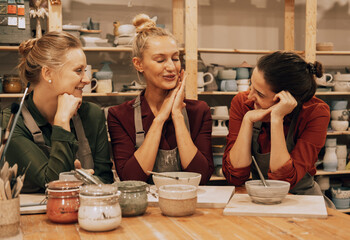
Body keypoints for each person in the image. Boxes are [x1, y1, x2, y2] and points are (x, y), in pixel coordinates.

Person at [107, 14, 214, 184]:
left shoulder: (199, 111)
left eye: (175, 58)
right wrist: (160, 119)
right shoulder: (119, 115)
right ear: (138, 64)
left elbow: (201, 176)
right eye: (160, 60)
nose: (171, 67)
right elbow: (131, 179)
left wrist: (177, 116)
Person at [2, 31, 113, 193]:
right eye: (78, 70)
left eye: (85, 71)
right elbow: (52, 183)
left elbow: (106, 181)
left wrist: (82, 180)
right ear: (48, 73)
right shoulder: (13, 121)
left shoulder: (92, 115)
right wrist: (62, 121)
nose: (87, 79)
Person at [222, 51, 334, 207]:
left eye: (259, 93)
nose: (249, 96)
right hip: (259, 198)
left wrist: (276, 119)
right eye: (251, 85)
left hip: (302, 200)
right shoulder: (242, 103)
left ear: (286, 98)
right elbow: (234, 176)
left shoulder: (316, 112)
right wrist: (247, 120)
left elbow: (283, 181)